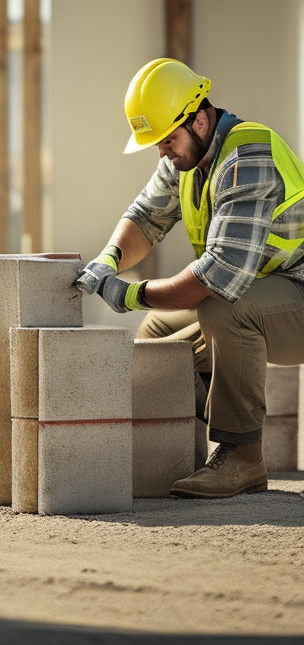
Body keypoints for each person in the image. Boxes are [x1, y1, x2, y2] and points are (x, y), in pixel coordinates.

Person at [75, 57, 304, 499]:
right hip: (272, 298)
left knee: (224, 309)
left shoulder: (248, 156)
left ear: (200, 120)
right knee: (160, 330)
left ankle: (242, 456)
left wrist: (129, 293)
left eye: (166, 140)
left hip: (298, 298)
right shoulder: (186, 158)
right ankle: (179, 444)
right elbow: (145, 217)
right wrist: (108, 261)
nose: (161, 151)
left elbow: (217, 278)